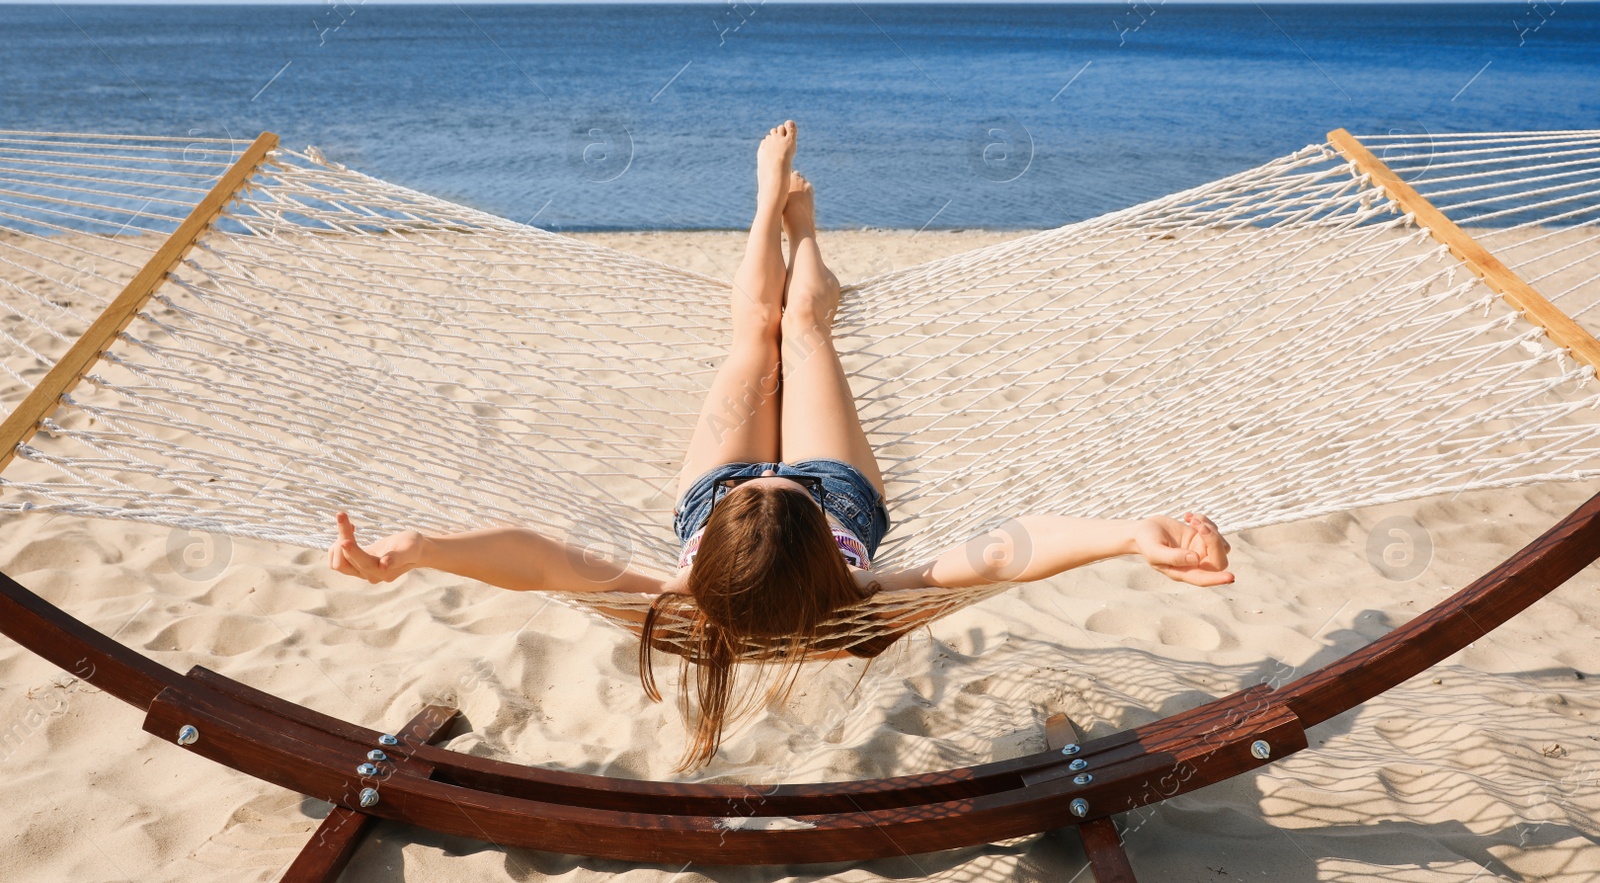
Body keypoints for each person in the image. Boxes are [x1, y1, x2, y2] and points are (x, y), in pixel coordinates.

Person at [329, 120, 1232, 767]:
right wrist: (1124, 532)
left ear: (716, 541)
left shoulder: (685, 596)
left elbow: (541, 559)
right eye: (774, 489)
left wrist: (424, 552)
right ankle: (805, 236)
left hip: (707, 494)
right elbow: (1006, 550)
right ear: (819, 543)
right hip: (842, 490)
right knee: (802, 329)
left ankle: (767, 208)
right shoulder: (863, 587)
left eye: (760, 492)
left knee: (748, 333)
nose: (771, 475)